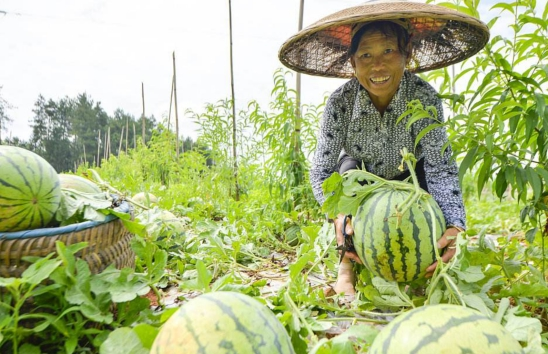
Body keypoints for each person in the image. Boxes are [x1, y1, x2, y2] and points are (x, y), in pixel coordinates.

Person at [279, 0, 489, 296]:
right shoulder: (340, 103)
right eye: (365, 55)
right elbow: (322, 170)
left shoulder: (424, 97)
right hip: (363, 180)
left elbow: (440, 166)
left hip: (411, 180)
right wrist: (338, 216)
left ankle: (426, 269)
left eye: (388, 51)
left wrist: (455, 224)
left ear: (407, 55)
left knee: (434, 202)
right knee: (345, 179)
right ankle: (346, 270)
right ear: (353, 63)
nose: (377, 65)